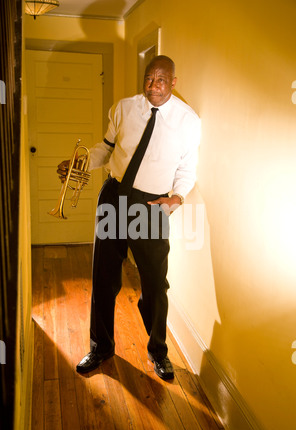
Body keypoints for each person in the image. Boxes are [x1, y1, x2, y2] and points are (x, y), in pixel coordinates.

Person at [58, 55, 201, 380]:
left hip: (152, 206)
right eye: (149, 79)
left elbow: (187, 169)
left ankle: (158, 352)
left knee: (155, 284)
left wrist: (176, 198)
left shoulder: (188, 121)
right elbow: (106, 149)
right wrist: (80, 164)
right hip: (114, 196)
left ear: (173, 82)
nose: (153, 86)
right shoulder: (123, 108)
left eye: (161, 80)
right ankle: (100, 348)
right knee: (103, 277)